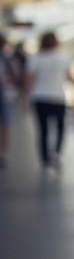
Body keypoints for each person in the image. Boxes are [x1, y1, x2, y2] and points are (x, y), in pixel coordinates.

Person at [24, 32, 74, 170]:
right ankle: (57, 153)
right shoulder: (64, 58)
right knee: (61, 127)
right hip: (58, 97)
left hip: (39, 97)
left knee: (43, 130)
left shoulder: (36, 59)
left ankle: (44, 159)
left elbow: (29, 81)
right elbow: (71, 77)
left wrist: (24, 99)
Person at [0, 34, 16, 169]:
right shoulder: (6, 59)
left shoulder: (6, 59)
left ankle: (2, 154)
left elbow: (12, 76)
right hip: (4, 97)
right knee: (6, 125)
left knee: (6, 125)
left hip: (4, 96)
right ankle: (3, 153)